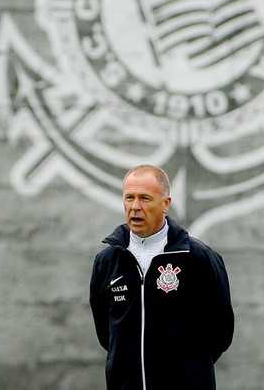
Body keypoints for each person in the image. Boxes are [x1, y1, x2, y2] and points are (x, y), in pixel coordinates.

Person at [89, 164, 235, 390]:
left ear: (165, 204)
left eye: (145, 198)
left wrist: (189, 370)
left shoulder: (199, 258)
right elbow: (106, 333)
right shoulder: (107, 261)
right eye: (129, 198)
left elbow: (221, 331)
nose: (135, 207)